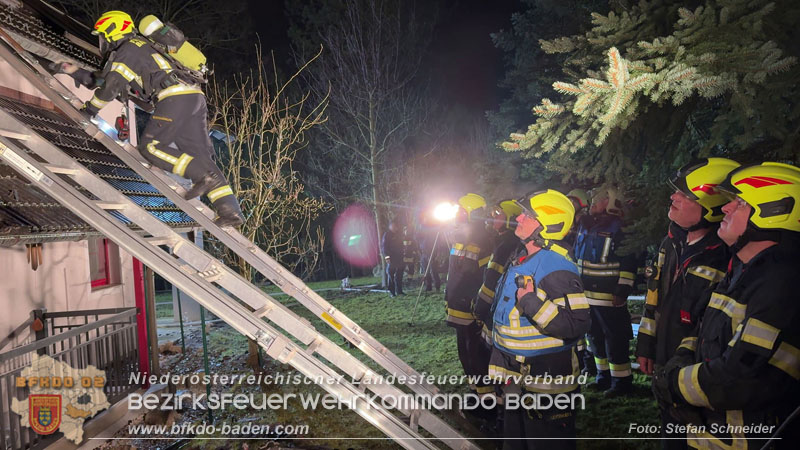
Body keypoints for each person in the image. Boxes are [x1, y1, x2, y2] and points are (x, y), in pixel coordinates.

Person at [654, 162, 800, 449]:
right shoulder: (743, 269)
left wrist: (673, 383)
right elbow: (702, 329)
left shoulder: (782, 285)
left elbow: (738, 379)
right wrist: (679, 361)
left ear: (773, 211)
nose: (725, 208)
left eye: (739, 202)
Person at [77, 11, 243, 227]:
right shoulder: (144, 46)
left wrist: (89, 109)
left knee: (151, 147)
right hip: (194, 98)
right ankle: (230, 210)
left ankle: (202, 176)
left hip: (174, 98)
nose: (102, 41)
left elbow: (111, 86)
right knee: (200, 156)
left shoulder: (129, 48)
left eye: (102, 35)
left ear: (112, 31)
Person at [634, 158, 739, 449]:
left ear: (712, 207)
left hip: (697, 369)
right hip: (666, 359)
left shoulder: (724, 257)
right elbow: (654, 298)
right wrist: (646, 343)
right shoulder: (671, 243)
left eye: (684, 194)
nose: (673, 197)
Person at [488, 189, 590, 450]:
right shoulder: (526, 258)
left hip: (547, 382)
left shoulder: (556, 266)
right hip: (519, 377)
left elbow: (576, 324)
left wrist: (531, 302)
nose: (519, 219)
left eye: (527, 215)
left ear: (548, 225)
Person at [574, 186, 637, 397]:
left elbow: (629, 260)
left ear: (611, 203)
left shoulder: (620, 227)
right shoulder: (586, 225)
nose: (593, 201)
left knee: (615, 338)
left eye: (600, 199)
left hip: (610, 296)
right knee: (595, 337)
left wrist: (623, 289)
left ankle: (622, 382)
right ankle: (602, 377)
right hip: (586, 295)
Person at [445, 194, 494, 400]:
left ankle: (487, 402)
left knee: (477, 356)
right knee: (465, 355)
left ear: (472, 214)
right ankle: (475, 393)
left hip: (472, 309)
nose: (457, 215)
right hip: (457, 307)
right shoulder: (460, 237)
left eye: (461, 211)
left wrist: (478, 304)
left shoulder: (484, 240)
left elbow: (484, 277)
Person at [381, 218, 405, 297]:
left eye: (396, 226)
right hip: (392, 258)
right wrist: (387, 258)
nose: (395, 227)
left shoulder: (399, 234)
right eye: (393, 226)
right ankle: (392, 292)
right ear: (390, 226)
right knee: (391, 275)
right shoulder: (387, 235)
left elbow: (402, 245)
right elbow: (384, 248)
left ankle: (399, 291)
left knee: (399, 275)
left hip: (399, 258)